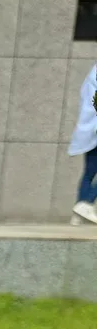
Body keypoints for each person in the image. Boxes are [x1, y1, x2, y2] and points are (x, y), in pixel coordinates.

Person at [70, 62, 97, 225]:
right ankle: (86, 203)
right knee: (89, 172)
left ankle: (78, 215)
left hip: (90, 128)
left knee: (89, 172)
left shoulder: (93, 72)